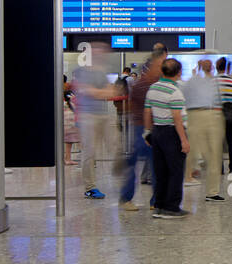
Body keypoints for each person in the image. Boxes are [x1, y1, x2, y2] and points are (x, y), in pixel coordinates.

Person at [120, 44, 166, 210]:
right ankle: (127, 198)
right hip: (142, 129)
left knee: (154, 164)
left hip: (151, 128)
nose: (161, 70)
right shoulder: (142, 85)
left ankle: (155, 200)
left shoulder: (154, 84)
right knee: (139, 163)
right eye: (159, 67)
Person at [144, 58, 190, 219]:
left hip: (157, 132)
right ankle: (172, 208)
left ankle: (159, 205)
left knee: (160, 170)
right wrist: (184, 140)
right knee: (176, 171)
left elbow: (147, 112)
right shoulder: (174, 92)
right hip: (172, 133)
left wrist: (147, 132)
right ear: (178, 72)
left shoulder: (153, 88)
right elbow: (177, 118)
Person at [70, 42, 115, 199]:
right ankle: (90, 187)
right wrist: (100, 92)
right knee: (89, 152)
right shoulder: (81, 71)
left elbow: (110, 91)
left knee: (114, 146)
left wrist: (99, 92)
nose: (100, 54)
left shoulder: (102, 72)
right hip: (88, 116)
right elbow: (90, 92)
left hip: (103, 115)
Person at [183, 58, 225, 201]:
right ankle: (186, 178)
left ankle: (213, 192)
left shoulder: (214, 82)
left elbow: (218, 101)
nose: (209, 66)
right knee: (192, 152)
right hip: (195, 115)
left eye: (210, 64)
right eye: (206, 65)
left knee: (214, 154)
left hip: (212, 115)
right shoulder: (192, 82)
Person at [215, 56, 232, 176]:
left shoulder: (212, 81)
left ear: (216, 67)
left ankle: (218, 168)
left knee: (217, 143)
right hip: (231, 115)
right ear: (227, 67)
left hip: (216, 115)